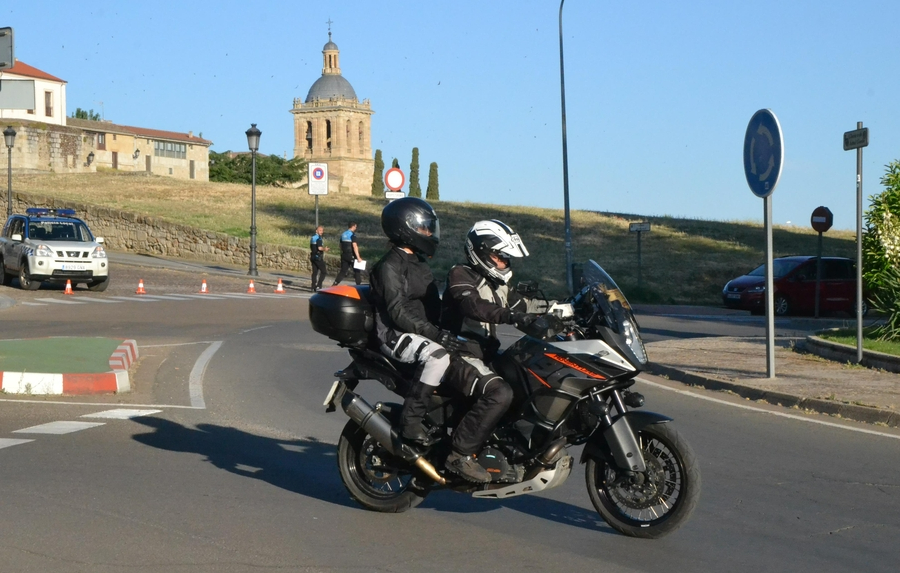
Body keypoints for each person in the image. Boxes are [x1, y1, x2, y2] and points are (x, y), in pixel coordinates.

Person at [368, 197, 482, 479]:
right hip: (394, 335)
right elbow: (396, 311)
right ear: (405, 228)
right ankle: (411, 420)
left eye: (431, 228)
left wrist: (460, 328)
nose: (431, 233)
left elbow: (434, 306)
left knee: (474, 353)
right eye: (426, 228)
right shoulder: (389, 266)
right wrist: (436, 335)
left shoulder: (418, 262)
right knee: (438, 356)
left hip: (421, 332)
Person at [439, 220, 547, 482]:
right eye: (499, 257)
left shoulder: (499, 284)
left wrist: (568, 310)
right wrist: (511, 317)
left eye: (506, 258)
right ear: (481, 252)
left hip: (485, 353)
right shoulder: (460, 275)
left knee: (529, 380)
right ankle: (459, 454)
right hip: (458, 352)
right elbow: (474, 306)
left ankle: (510, 449)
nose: (504, 263)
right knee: (499, 392)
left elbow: (527, 306)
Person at [332, 221, 364, 286]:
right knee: (357, 271)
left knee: (343, 271)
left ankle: (335, 284)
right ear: (353, 226)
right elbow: (354, 246)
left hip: (344, 255)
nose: (356, 228)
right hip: (351, 255)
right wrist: (358, 257)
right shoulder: (352, 235)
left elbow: (340, 245)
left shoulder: (343, 234)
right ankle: (359, 286)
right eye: (355, 226)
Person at [309, 225, 329, 291]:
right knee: (324, 271)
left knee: (315, 272)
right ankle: (319, 286)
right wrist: (324, 249)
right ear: (316, 231)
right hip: (318, 257)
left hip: (313, 256)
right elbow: (319, 248)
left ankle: (313, 287)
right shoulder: (318, 238)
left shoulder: (312, 238)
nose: (321, 232)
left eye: (322, 230)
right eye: (320, 230)